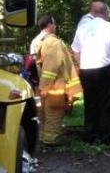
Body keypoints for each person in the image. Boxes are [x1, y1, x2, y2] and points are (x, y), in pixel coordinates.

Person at [71, 1, 110, 146]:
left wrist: (81, 65)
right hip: (105, 70)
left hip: (87, 71)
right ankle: (105, 137)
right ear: (105, 13)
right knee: (106, 105)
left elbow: (75, 50)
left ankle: (90, 135)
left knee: (90, 103)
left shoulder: (82, 29)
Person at [33, 15, 82, 146]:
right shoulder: (54, 43)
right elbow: (51, 66)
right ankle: (51, 140)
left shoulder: (40, 42)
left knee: (45, 114)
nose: (55, 26)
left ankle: (43, 137)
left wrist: (42, 86)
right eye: (54, 24)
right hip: (56, 87)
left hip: (45, 86)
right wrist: (45, 86)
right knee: (55, 114)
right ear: (50, 25)